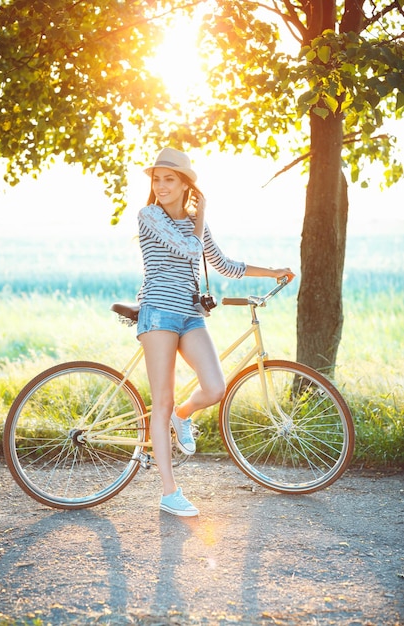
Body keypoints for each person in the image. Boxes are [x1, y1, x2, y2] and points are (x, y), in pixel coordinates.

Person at [136, 147, 295, 517]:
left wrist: (272, 272)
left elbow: (223, 264)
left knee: (215, 387)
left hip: (190, 315)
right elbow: (189, 247)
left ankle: (184, 414)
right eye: (157, 179)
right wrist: (202, 214)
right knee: (161, 402)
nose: (161, 186)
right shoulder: (148, 216)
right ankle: (169, 491)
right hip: (158, 313)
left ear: (185, 184)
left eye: (169, 179)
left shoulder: (193, 222)